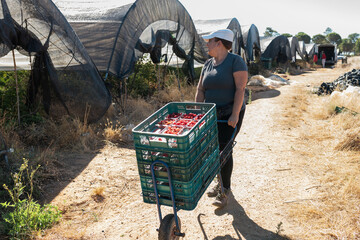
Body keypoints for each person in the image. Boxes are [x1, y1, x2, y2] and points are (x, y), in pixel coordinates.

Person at [195, 29, 248, 208]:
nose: (206, 44)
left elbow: (240, 89)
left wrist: (234, 113)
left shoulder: (236, 61)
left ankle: (224, 191)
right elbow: (200, 89)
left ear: (219, 43)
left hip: (229, 114)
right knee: (212, 150)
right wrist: (198, 112)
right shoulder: (208, 64)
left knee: (224, 151)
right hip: (211, 115)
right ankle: (219, 183)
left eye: (209, 41)